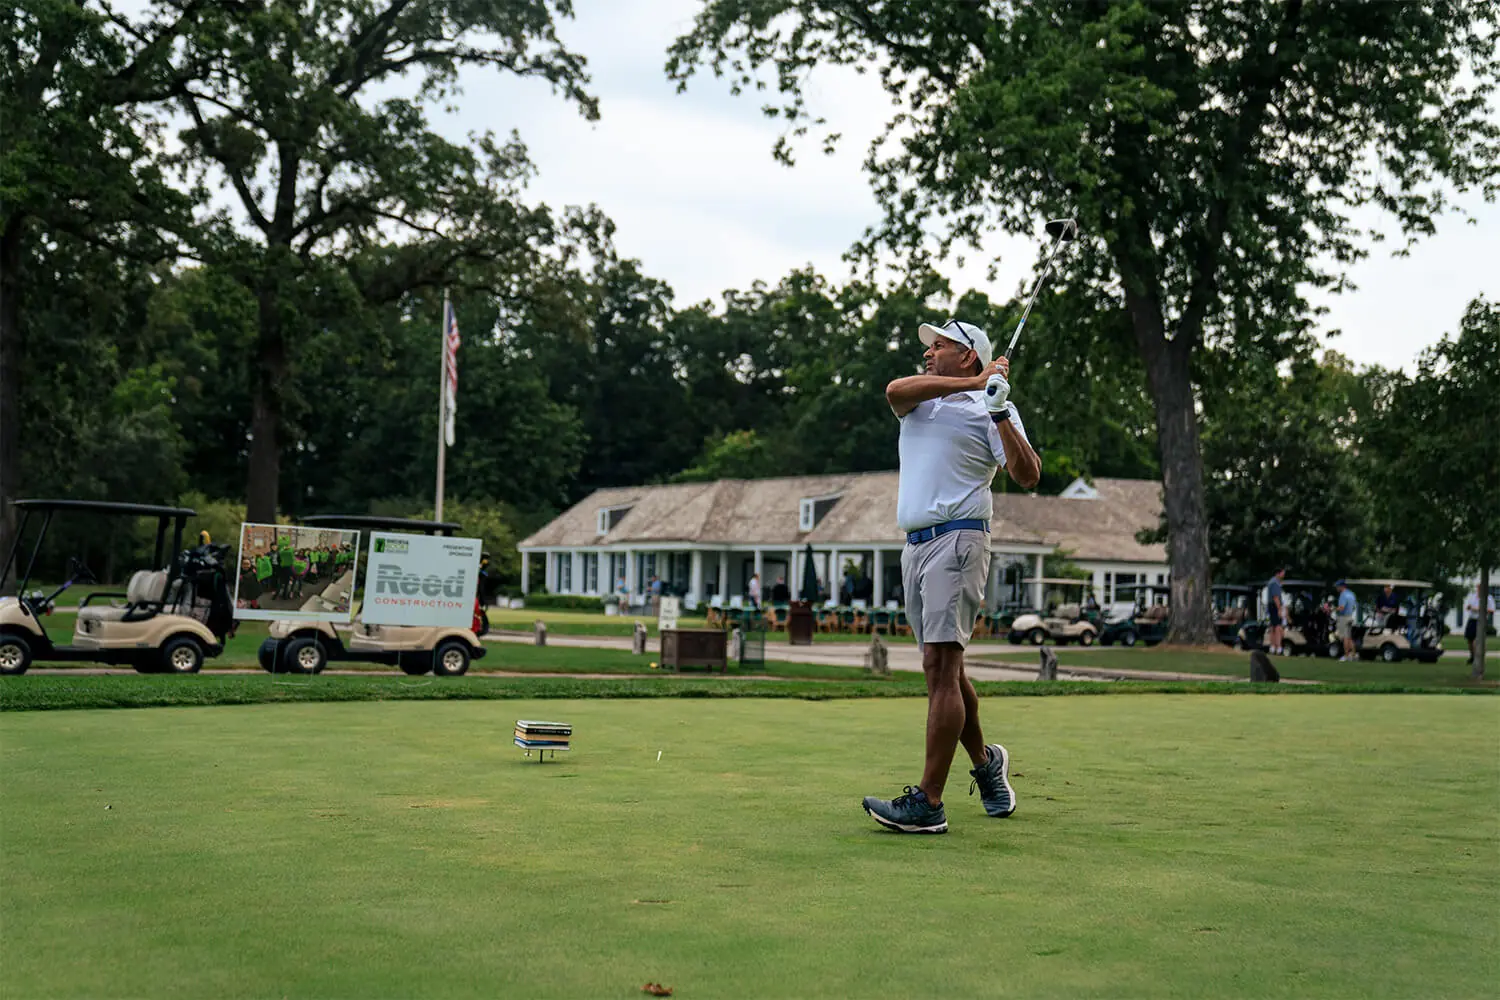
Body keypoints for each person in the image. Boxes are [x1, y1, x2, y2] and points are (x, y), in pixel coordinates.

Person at [861, 317, 1040, 835]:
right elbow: (893, 391)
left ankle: (929, 802)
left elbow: (1027, 475)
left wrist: (998, 410)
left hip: (959, 539)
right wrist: (976, 381)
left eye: (939, 345)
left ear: (967, 353)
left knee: (942, 666)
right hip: (915, 545)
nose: (928, 352)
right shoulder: (920, 400)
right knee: (945, 671)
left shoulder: (993, 407)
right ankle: (986, 763)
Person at [1464, 584, 1496, 667]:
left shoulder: (1488, 598)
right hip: (1472, 619)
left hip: (1481, 620)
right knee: (1469, 639)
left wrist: (1479, 609)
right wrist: (1469, 607)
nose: (1478, 589)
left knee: (1479, 640)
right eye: (1478, 588)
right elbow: (1468, 607)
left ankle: (1480, 658)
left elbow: (1492, 610)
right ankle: (1472, 656)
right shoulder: (1473, 596)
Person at [1334, 580, 1357, 661]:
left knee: (1345, 638)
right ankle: (1353, 655)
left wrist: (1332, 609)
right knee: (1349, 637)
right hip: (1351, 616)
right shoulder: (1351, 594)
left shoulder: (1343, 595)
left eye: (1337, 586)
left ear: (1342, 586)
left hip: (1344, 617)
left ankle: (1346, 656)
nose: (1337, 588)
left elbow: (1341, 607)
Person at [1266, 569, 1287, 655]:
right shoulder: (1275, 583)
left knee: (1273, 626)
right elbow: (1276, 597)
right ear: (1278, 573)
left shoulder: (1272, 581)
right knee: (1278, 627)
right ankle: (1278, 647)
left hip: (1271, 606)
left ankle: (1272, 647)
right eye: (1283, 573)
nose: (1284, 575)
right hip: (1274, 606)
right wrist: (1279, 609)